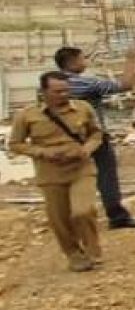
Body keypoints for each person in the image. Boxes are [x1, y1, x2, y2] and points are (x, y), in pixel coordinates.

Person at [7, 71, 104, 271]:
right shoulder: (27, 115)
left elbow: (97, 134)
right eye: (57, 91)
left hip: (81, 169)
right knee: (59, 219)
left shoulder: (82, 108)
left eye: (66, 90)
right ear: (44, 92)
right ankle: (74, 254)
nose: (63, 95)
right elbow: (15, 144)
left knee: (83, 210)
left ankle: (93, 249)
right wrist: (43, 152)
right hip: (50, 174)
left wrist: (86, 149)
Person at [55, 46, 135, 230]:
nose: (85, 62)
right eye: (82, 59)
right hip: (93, 136)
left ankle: (69, 218)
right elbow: (125, 85)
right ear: (72, 62)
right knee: (106, 175)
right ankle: (117, 216)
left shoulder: (50, 84)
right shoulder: (86, 84)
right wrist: (131, 59)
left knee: (68, 178)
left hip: (63, 138)